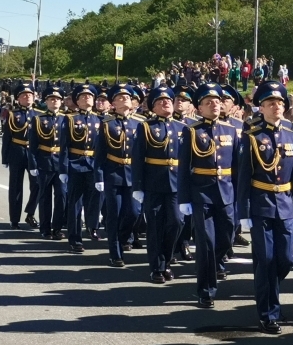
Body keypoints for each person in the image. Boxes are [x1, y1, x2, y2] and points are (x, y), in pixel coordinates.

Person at [237, 81, 293, 334]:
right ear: (261, 108)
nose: (276, 106)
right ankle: (268, 312)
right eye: (270, 103)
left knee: (285, 259)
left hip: (285, 205)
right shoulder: (252, 136)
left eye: (280, 103)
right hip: (260, 205)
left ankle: (270, 294)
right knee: (265, 260)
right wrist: (243, 213)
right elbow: (243, 177)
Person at [178, 83, 241, 308]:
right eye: (208, 102)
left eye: (217, 101)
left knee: (226, 238)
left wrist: (240, 198)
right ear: (199, 108)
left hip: (227, 193)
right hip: (201, 193)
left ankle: (212, 266)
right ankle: (206, 290)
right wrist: (184, 199)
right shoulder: (192, 131)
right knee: (206, 243)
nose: (214, 105)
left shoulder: (231, 130)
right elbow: (184, 166)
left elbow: (237, 168)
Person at [131, 85, 186, 283]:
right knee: (155, 227)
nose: (166, 104)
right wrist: (137, 186)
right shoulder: (145, 127)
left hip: (176, 184)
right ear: (153, 108)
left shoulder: (182, 127)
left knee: (177, 222)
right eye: (160, 102)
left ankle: (167, 258)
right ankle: (157, 267)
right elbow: (137, 158)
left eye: (169, 101)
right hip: (153, 183)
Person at [94, 84, 145, 267]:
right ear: (113, 103)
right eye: (120, 98)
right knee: (114, 214)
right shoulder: (107, 124)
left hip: (134, 174)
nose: (124, 100)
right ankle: (115, 253)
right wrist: (99, 176)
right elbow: (99, 153)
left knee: (133, 212)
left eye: (127, 98)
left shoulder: (140, 123)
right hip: (113, 173)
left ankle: (124, 239)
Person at [61, 84, 104, 252]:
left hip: (94, 165)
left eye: (90, 97)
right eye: (83, 97)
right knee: (75, 204)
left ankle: (92, 228)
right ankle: (75, 238)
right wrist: (64, 169)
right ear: (77, 101)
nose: (87, 99)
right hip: (76, 164)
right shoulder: (70, 119)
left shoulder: (100, 120)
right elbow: (63, 145)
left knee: (93, 202)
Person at [28, 85, 67, 240]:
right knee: (45, 197)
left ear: (62, 101)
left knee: (61, 196)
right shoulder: (38, 119)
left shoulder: (67, 119)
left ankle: (57, 228)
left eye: (57, 99)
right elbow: (33, 145)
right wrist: (33, 165)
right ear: (46, 101)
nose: (54, 101)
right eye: (51, 99)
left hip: (61, 162)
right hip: (44, 161)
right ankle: (45, 228)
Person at [2, 83, 40, 230]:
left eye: (30, 95)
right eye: (24, 95)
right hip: (17, 152)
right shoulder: (13, 115)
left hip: (34, 153)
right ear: (18, 99)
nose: (27, 97)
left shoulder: (38, 114)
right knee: (16, 187)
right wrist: (5, 157)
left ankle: (30, 213)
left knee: (37, 184)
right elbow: (7, 138)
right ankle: (14, 219)